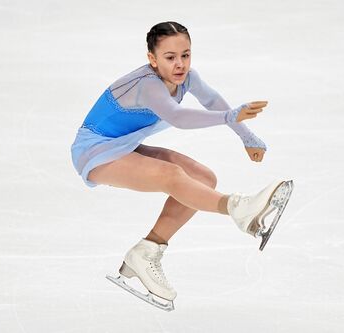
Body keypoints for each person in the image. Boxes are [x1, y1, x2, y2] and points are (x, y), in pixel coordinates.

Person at [70, 21, 292, 308]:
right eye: (170, 57)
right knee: (171, 174)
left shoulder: (187, 78)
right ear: (152, 59)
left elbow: (212, 101)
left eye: (185, 55)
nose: (180, 64)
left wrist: (246, 136)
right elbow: (178, 117)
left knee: (202, 177)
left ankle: (147, 251)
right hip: (94, 151)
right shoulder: (147, 85)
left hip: (122, 145)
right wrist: (230, 118)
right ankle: (239, 208)